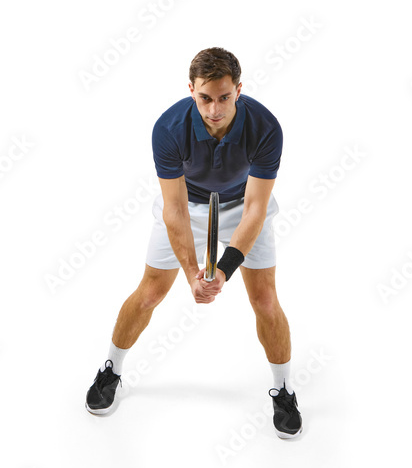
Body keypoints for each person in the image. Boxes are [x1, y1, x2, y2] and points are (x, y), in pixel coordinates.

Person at [85, 46, 301, 439]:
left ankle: (283, 389)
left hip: (242, 205)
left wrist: (225, 269)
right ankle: (111, 369)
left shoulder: (266, 126)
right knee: (150, 292)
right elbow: (175, 209)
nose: (214, 109)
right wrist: (191, 273)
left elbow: (256, 208)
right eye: (205, 98)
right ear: (191, 90)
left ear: (238, 89)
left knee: (265, 300)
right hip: (189, 205)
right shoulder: (168, 129)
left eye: (224, 97)